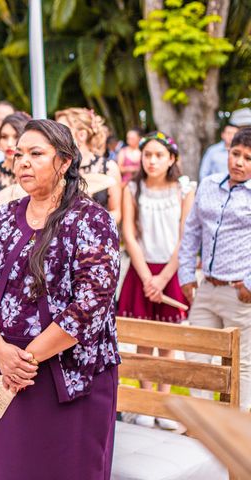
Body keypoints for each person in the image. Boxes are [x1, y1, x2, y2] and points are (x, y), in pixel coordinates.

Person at [0, 118, 120, 480]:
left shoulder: (92, 220)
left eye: (36, 154)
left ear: (64, 162)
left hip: (68, 375)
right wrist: (2, 352)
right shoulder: (2, 217)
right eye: (19, 155)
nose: (23, 163)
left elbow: (89, 307)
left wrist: (27, 360)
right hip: (9, 374)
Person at [118, 131, 195, 429]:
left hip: (170, 270)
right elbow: (130, 235)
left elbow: (185, 237)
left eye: (159, 155)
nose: (151, 160)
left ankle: (165, 405)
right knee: (144, 339)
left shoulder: (184, 189)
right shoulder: (133, 188)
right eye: (147, 155)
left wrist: (162, 278)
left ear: (171, 158)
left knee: (167, 339)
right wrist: (147, 276)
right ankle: (145, 404)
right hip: (142, 270)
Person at [179, 126, 251, 412]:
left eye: (248, 158)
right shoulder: (208, 184)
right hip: (206, 288)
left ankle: (240, 425)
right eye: (236, 154)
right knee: (196, 354)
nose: (239, 162)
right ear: (227, 152)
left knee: (243, 361)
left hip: (240, 293)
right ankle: (205, 423)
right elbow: (191, 232)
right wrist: (186, 275)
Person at [56, 107, 122, 223]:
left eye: (61, 131)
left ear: (81, 135)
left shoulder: (108, 167)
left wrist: (92, 224)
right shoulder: (56, 167)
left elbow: (116, 211)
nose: (55, 136)